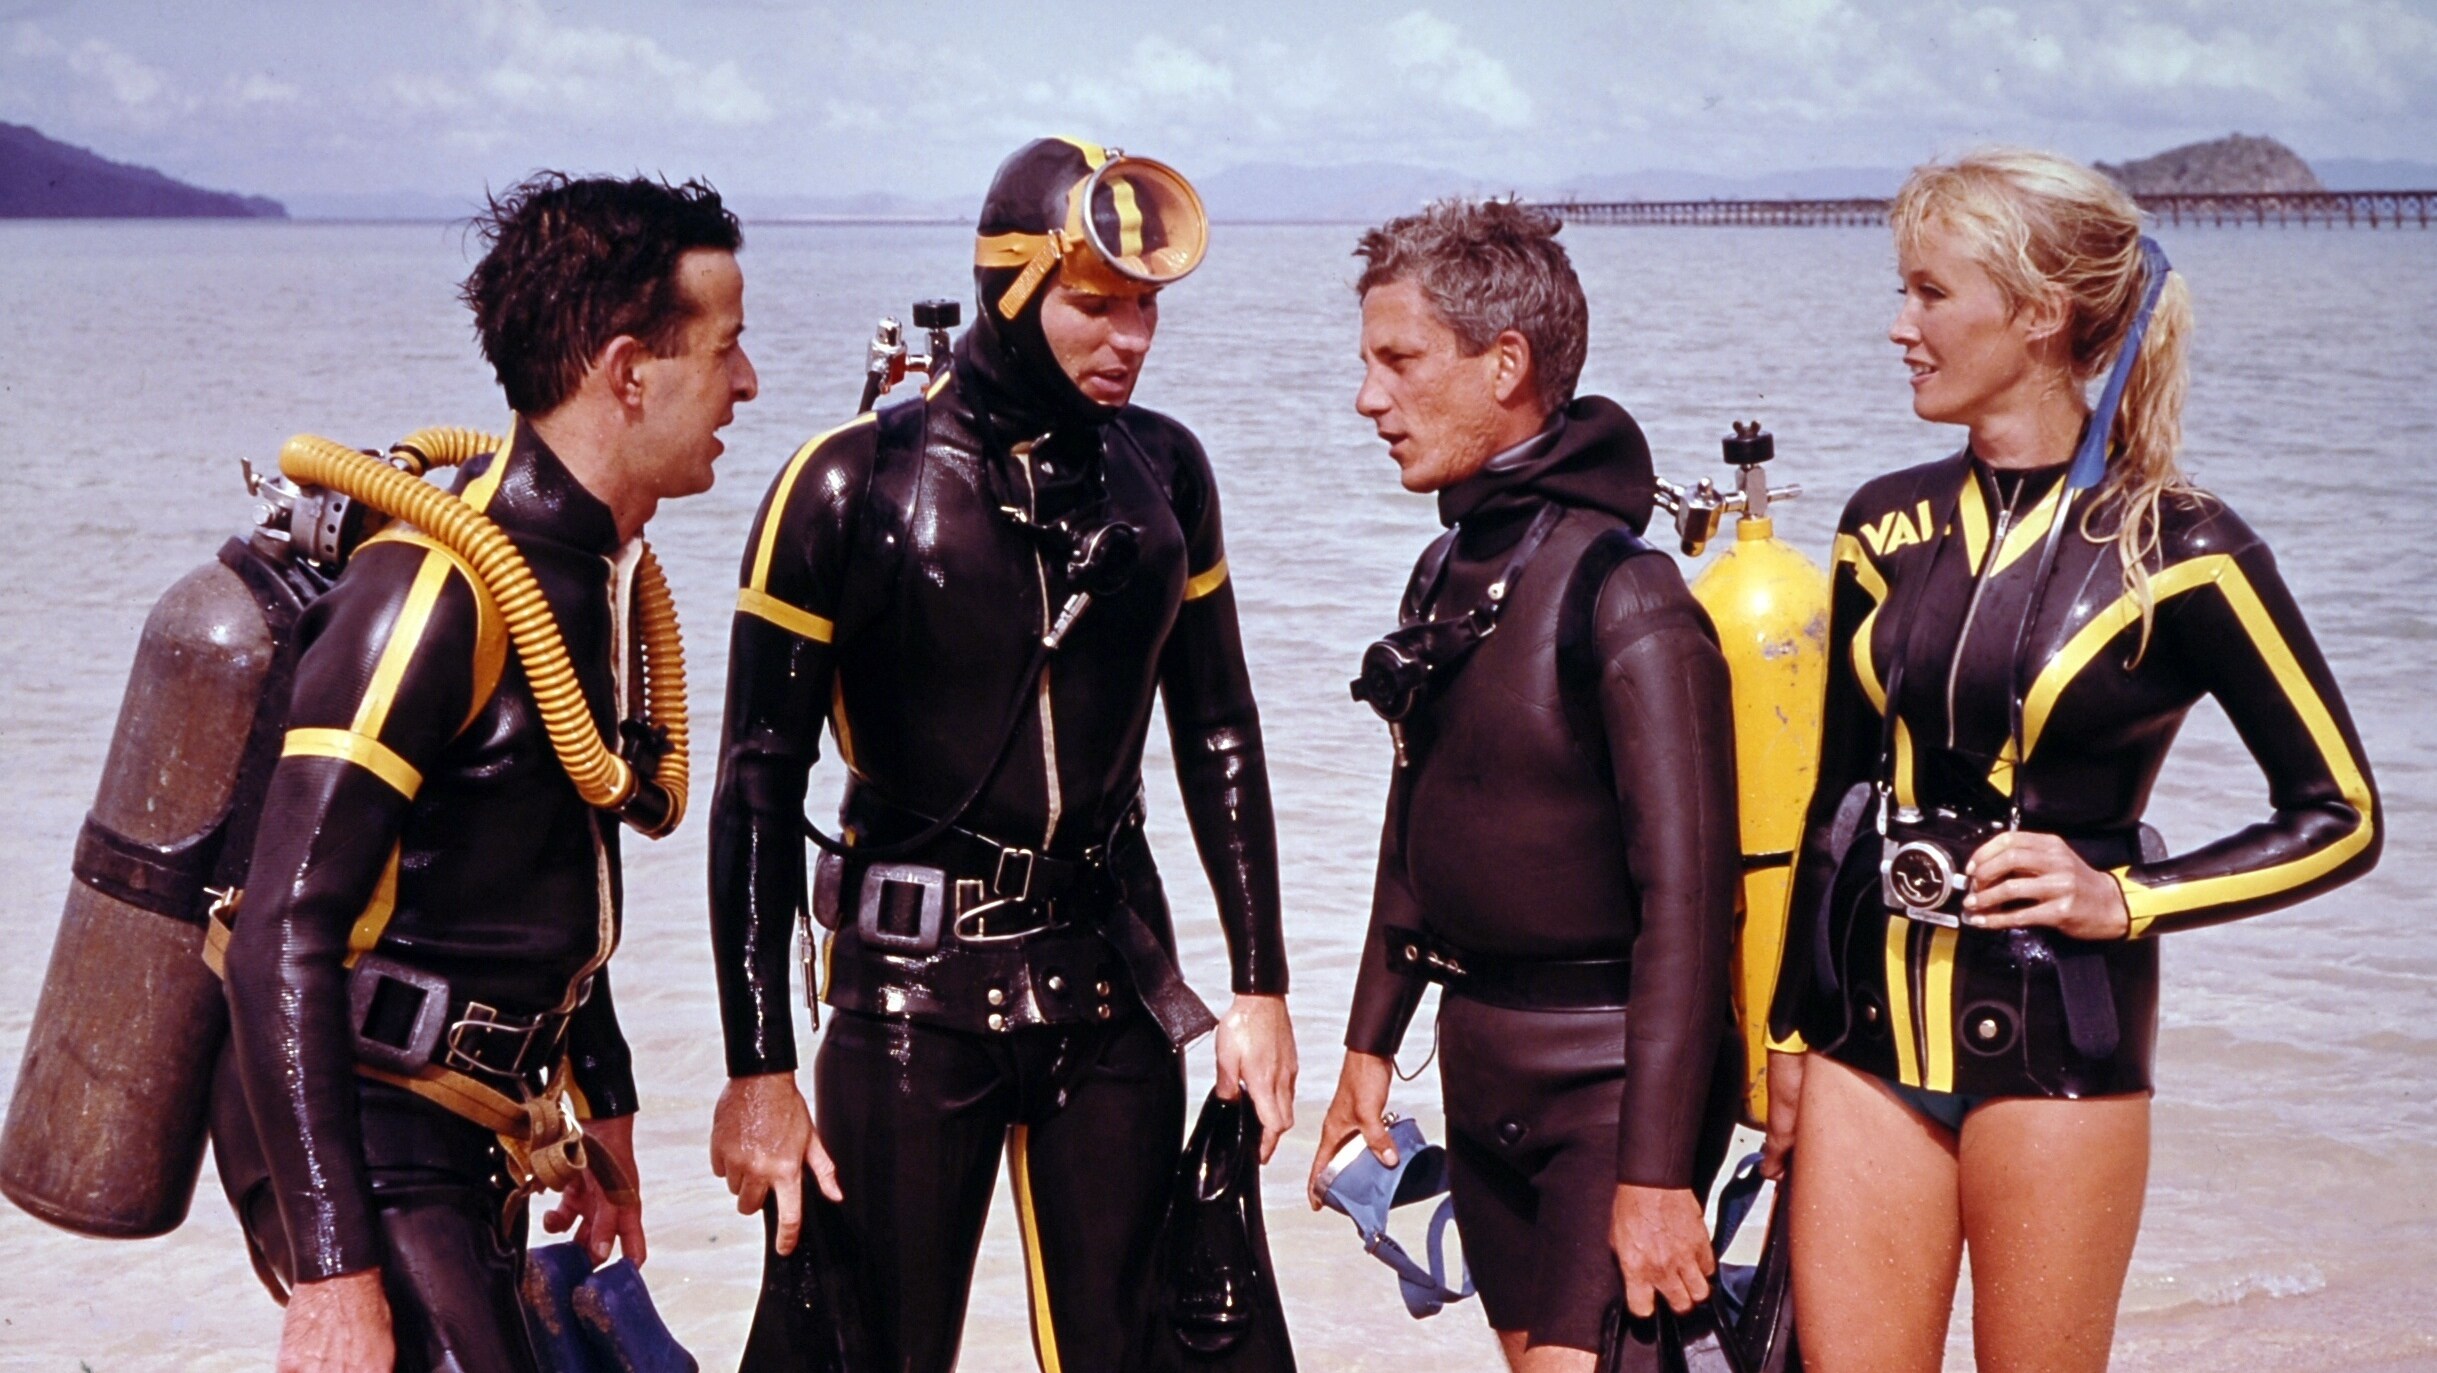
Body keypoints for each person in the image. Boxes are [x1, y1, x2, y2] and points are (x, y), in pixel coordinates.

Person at [1762, 149, 2382, 1373]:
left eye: (1930, 294)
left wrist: (2124, 895)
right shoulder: (1880, 522)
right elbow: (1834, 797)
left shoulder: (2183, 548)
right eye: (1904, 292)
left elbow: (2341, 812)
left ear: (2039, 313)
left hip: (2061, 1042)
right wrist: (1786, 1032)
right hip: (1862, 1037)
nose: (1899, 326)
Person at [705, 136, 1296, 1372]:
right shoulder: (847, 484)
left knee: (1135, 1350)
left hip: (1109, 983)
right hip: (910, 999)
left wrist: (1261, 986)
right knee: (872, 1352)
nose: (1128, 338)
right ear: (1009, 290)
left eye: (1145, 308)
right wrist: (759, 1066)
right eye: (1095, 304)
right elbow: (758, 784)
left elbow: (1221, 729)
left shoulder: (1165, 475)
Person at [220, 172, 757, 1373]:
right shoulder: (433, 592)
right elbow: (277, 931)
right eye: (726, 349)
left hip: (482, 1117)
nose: (747, 384)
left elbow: (548, 850)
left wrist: (599, 1108)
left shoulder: (584, 573)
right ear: (629, 371)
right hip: (358, 1118)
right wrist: (333, 1276)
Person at [1308, 198, 1742, 1371]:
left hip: (1610, 1083)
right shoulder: (1447, 567)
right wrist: (1366, 1043)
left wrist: (1655, 1174)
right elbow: (1419, 820)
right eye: (1365, 363)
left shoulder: (1630, 594)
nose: (1368, 399)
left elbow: (1694, 908)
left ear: (1505, 364)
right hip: (1480, 1058)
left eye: (1397, 362)